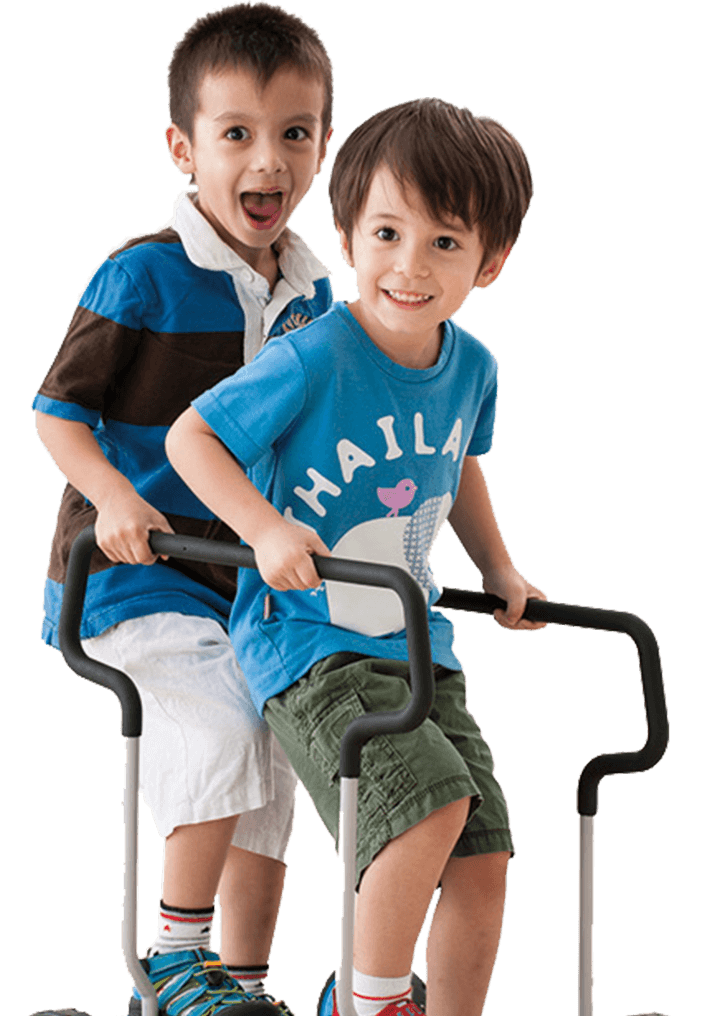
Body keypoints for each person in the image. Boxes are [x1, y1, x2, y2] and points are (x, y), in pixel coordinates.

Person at [166, 97, 548, 1016]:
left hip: (417, 646)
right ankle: (369, 1001)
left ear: (490, 261)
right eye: (386, 233)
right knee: (427, 802)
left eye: (444, 243)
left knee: (483, 847)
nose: (408, 266)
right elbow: (193, 440)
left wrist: (499, 570)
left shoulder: (472, 367)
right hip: (310, 642)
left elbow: (458, 465)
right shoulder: (314, 356)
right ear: (344, 237)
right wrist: (264, 528)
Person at [32, 4, 335, 1014]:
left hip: (242, 580)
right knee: (219, 720)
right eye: (237, 132)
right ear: (184, 148)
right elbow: (57, 412)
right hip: (132, 573)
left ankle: (240, 983)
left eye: (295, 132)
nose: (269, 159)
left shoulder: (314, 298)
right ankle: (170, 960)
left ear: (324, 143)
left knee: (278, 748)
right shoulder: (144, 272)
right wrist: (115, 495)